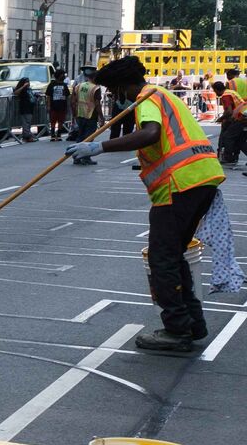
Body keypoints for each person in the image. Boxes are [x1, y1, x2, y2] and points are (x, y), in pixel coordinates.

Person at [66, 55, 224, 352]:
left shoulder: (147, 98)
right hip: (199, 178)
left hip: (180, 184)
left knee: (162, 258)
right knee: (173, 255)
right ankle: (191, 323)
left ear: (123, 85)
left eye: (114, 90)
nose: (115, 97)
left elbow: (150, 133)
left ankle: (177, 330)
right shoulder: (162, 95)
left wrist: (99, 146)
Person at [70, 67, 103, 164]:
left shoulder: (79, 86)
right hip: (91, 114)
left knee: (80, 136)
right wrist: (101, 117)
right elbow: (97, 104)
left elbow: (73, 101)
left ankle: (76, 157)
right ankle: (86, 157)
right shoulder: (96, 88)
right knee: (89, 137)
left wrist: (74, 113)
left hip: (80, 114)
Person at [214, 80, 242, 166]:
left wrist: (221, 118)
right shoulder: (231, 92)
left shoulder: (225, 96)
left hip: (239, 118)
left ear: (217, 90)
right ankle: (234, 156)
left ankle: (229, 158)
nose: (215, 93)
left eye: (214, 91)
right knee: (238, 139)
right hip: (242, 115)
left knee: (227, 137)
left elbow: (229, 112)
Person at [45, 69, 70, 141]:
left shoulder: (64, 85)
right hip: (53, 106)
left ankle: (59, 134)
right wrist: (49, 105)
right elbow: (48, 96)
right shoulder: (52, 84)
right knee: (53, 121)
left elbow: (67, 96)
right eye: (63, 74)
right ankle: (52, 134)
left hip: (62, 106)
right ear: (59, 75)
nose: (64, 76)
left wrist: (68, 106)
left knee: (61, 121)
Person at [12, 76, 36, 142]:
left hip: (30, 108)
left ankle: (26, 136)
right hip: (24, 108)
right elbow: (15, 93)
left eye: (28, 82)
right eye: (26, 82)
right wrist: (23, 87)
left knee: (28, 123)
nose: (28, 83)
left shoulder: (29, 89)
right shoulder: (22, 89)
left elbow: (32, 96)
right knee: (26, 123)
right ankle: (27, 137)